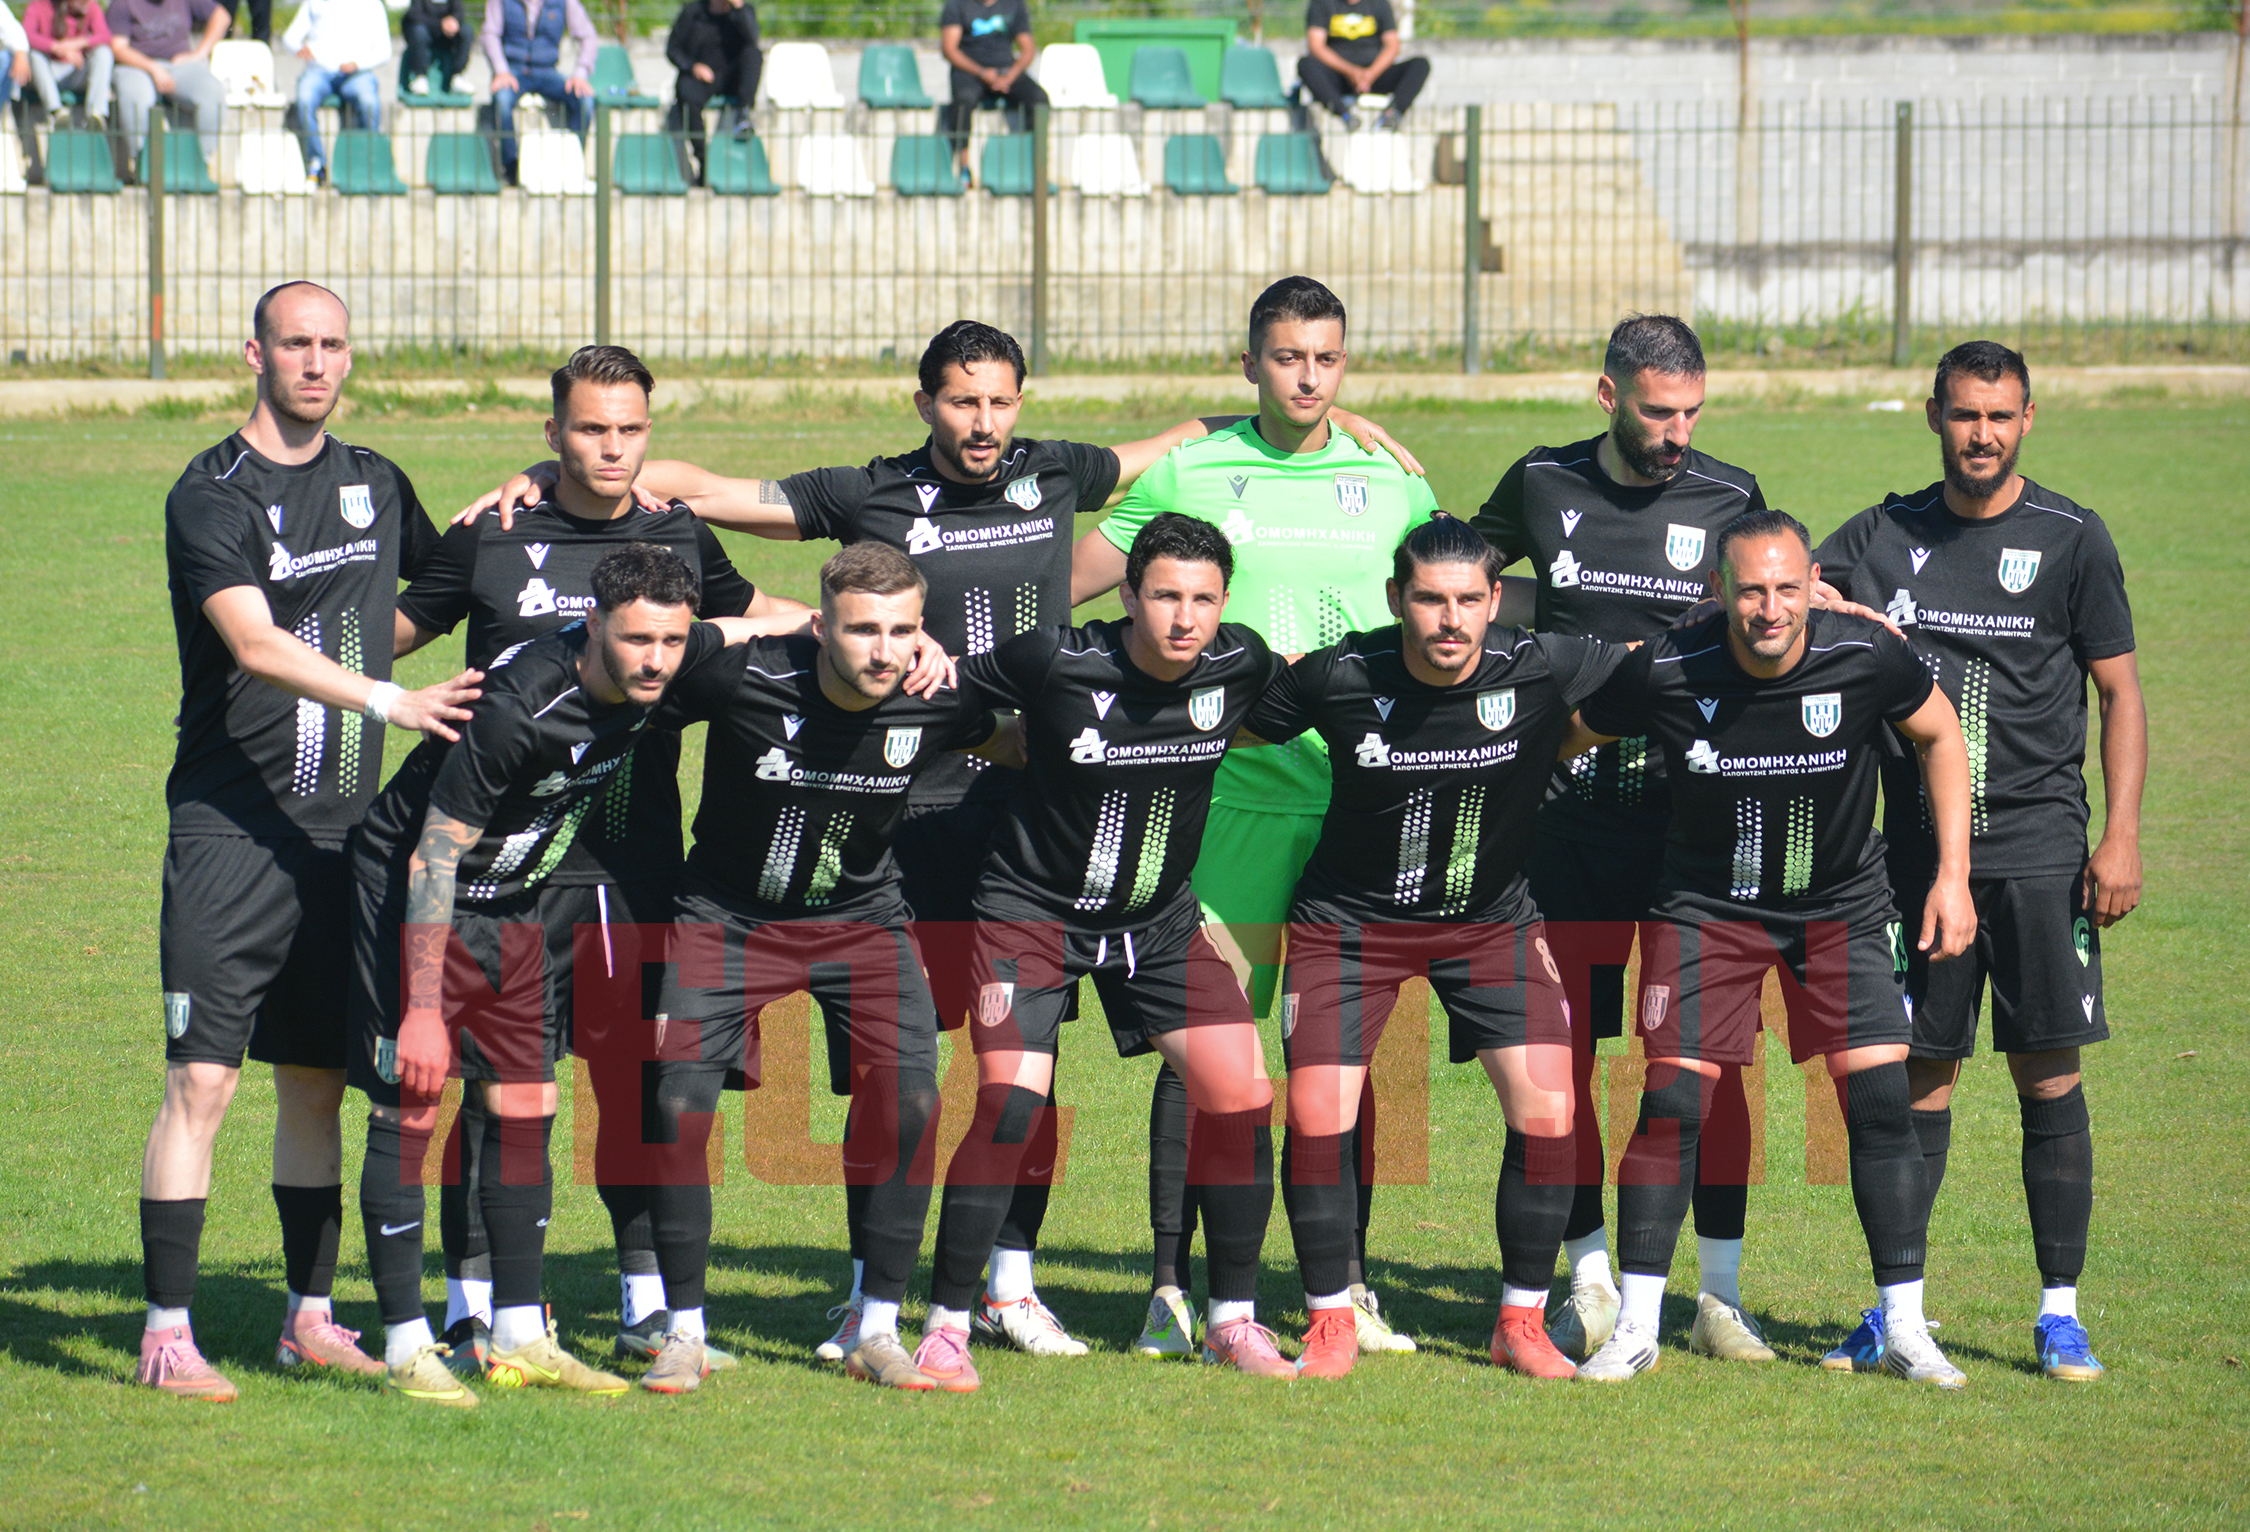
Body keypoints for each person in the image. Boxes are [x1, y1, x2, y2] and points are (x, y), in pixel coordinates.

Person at [461, 318, 1415, 1363]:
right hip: (894, 808)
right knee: (901, 1079)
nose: (984, 421)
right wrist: (558, 473)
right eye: (964, 401)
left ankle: (1011, 1282)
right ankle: (867, 1302)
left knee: (1024, 1062)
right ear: (926, 404)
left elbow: (1179, 441)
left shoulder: (1055, 472)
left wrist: (1325, 421)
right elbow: (712, 489)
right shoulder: (869, 494)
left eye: (1001, 400)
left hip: (1029, 802)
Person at [392, 345, 812, 1378]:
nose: (612, 448)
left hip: (632, 859)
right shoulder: (494, 532)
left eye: (629, 429)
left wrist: (887, 633)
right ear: (553, 433)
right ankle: (475, 1307)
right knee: (496, 1091)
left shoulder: (677, 534)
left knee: (637, 1083)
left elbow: (760, 619)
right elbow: (382, 638)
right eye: (589, 428)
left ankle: (643, 1304)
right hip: (502, 873)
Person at [1075, 275, 1436, 1362]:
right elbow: (1071, 579)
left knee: (1341, 1056)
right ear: (1250, 363)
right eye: (1287, 357)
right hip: (1228, 802)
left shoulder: (1388, 477)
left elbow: (1449, 602)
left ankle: (1349, 1287)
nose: (1308, 378)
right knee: (1210, 1048)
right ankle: (1169, 1289)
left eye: (1326, 358)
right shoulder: (1194, 470)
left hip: (1357, 803)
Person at [138, 281, 478, 1401]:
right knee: (202, 1081)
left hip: (345, 842)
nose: (316, 362)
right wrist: (385, 698)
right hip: (231, 832)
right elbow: (252, 641)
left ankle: (309, 1317)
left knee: (319, 1083)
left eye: (333, 344)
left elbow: (426, 595)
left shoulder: (374, 478)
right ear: (256, 353)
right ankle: (168, 1331)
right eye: (296, 343)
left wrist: (514, 505)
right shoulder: (212, 492)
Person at [1569, 507, 1979, 1388]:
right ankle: (1636, 1328)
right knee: (1673, 1102)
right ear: (1718, 590)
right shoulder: (1667, 666)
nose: (1770, 608)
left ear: (1814, 585)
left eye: (1787, 588)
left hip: (1839, 906)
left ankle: (1905, 1329)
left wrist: (1953, 875)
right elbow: (1567, 735)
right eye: (1751, 590)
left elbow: (1943, 734)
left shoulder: (1866, 654)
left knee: (1878, 1101)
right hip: (1705, 909)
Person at [1810, 340, 2143, 1384]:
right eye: (1965, 415)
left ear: (2028, 419)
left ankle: (2059, 1314)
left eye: (2000, 416)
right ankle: (1896, 1309)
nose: (1982, 435)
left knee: (2049, 1070)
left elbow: (2119, 692)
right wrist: (1832, 604)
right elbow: (1783, 582)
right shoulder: (1883, 533)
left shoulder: (2072, 537)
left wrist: (2121, 835)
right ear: (1934, 416)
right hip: (1915, 861)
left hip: (2040, 851)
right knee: (1917, 1077)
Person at [351, 544, 735, 1406]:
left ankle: (520, 1334)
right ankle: (407, 1344)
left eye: (672, 642)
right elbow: (430, 858)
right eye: (637, 640)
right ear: (592, 624)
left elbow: (755, 627)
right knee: (413, 1102)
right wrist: (421, 1011)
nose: (657, 661)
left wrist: (833, 624)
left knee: (527, 1099)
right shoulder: (521, 706)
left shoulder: (663, 659)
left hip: (513, 898)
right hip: (418, 895)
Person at [1241, 515, 1619, 1379]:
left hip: (1490, 925)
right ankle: (1330, 1319)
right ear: (1395, 599)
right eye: (1429, 600)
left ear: (1495, 599)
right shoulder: (1339, 673)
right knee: (1318, 1113)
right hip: (1348, 927)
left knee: (1549, 1108)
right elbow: (1225, 722)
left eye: (1467, 601)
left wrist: (1818, 615)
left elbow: (1662, 662)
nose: (1450, 620)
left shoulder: (1540, 663)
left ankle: (1520, 1323)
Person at [919, 512, 1290, 1389]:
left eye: (1203, 599)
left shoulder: (1239, 661)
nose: (1184, 618)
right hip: (1032, 915)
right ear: (1128, 595)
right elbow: (949, 689)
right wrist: (986, 728)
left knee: (1243, 1094)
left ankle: (1232, 1322)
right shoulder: (1056, 659)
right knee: (1009, 1105)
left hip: (1158, 923)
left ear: (1225, 603)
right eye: (1164, 595)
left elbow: (1296, 696)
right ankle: (947, 1325)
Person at [1470, 314, 1779, 1367]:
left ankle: (1719, 1296)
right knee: (1561, 1057)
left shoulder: (1731, 496)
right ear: (1609, 396)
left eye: (1692, 411)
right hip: (1560, 823)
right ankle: (1591, 1279)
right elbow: (1458, 573)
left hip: (1689, 830)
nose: (1678, 432)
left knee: (1705, 1065)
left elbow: (1767, 627)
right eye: (1657, 412)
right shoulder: (1541, 481)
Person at [635, 543, 1010, 1394]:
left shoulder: (935, 697)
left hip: (862, 923)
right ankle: (683, 1332)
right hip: (727, 917)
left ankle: (875, 1328)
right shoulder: (742, 678)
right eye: (862, 629)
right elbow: (636, 687)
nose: (884, 651)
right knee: (678, 1104)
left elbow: (1016, 741)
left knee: (912, 1101)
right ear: (819, 627)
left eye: (902, 631)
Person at [480, 0, 596, 184]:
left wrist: (581, 73)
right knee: (502, 100)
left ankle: (572, 163)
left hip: (547, 71)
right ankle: (511, 168)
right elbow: (489, 33)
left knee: (585, 101)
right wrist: (501, 70)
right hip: (513, 70)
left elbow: (588, 36)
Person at [106, 0, 228, 165]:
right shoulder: (122, 4)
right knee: (135, 98)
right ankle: (143, 164)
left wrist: (200, 54)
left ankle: (200, 164)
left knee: (213, 92)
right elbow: (118, 48)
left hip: (179, 66)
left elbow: (221, 16)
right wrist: (153, 68)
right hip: (136, 67)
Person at [282, 0, 389, 185]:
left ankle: (368, 160)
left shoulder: (373, 4)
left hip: (357, 73)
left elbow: (384, 51)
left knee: (369, 102)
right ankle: (316, 162)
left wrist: (358, 63)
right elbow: (290, 38)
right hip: (319, 70)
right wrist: (298, 49)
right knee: (304, 99)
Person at [937, 0, 1041, 185]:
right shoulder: (956, 4)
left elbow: (1028, 50)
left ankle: (1034, 162)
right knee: (963, 101)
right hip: (970, 72)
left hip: (1006, 72)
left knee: (1039, 100)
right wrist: (982, 73)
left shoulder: (1014, 4)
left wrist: (1010, 76)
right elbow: (949, 49)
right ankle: (963, 167)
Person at [663, 0, 757, 187]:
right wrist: (693, 66)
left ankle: (744, 113)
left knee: (754, 55)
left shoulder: (743, 12)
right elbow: (673, 49)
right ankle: (704, 159)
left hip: (732, 78)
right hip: (702, 77)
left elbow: (753, 39)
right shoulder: (693, 12)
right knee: (687, 92)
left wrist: (739, 9)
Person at [1298, 0, 1426, 132]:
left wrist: (1370, 74)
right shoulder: (1322, 3)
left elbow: (1392, 46)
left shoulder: (1379, 3)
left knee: (1420, 65)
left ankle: (1392, 114)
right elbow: (1316, 47)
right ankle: (1345, 115)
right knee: (1306, 64)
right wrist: (1352, 72)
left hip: (1374, 76)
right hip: (1338, 76)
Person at [25, 0, 114, 129]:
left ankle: (96, 114)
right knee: (35, 56)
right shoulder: (38, 5)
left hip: (78, 72)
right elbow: (27, 35)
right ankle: (56, 112)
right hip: (50, 72)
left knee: (104, 52)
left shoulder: (91, 6)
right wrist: (57, 48)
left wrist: (78, 43)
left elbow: (105, 36)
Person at [400, 0, 469, 96]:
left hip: (446, 35)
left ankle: (457, 76)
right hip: (425, 30)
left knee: (466, 31)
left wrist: (453, 21)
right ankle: (420, 77)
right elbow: (414, 14)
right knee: (419, 32)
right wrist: (440, 24)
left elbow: (459, 11)